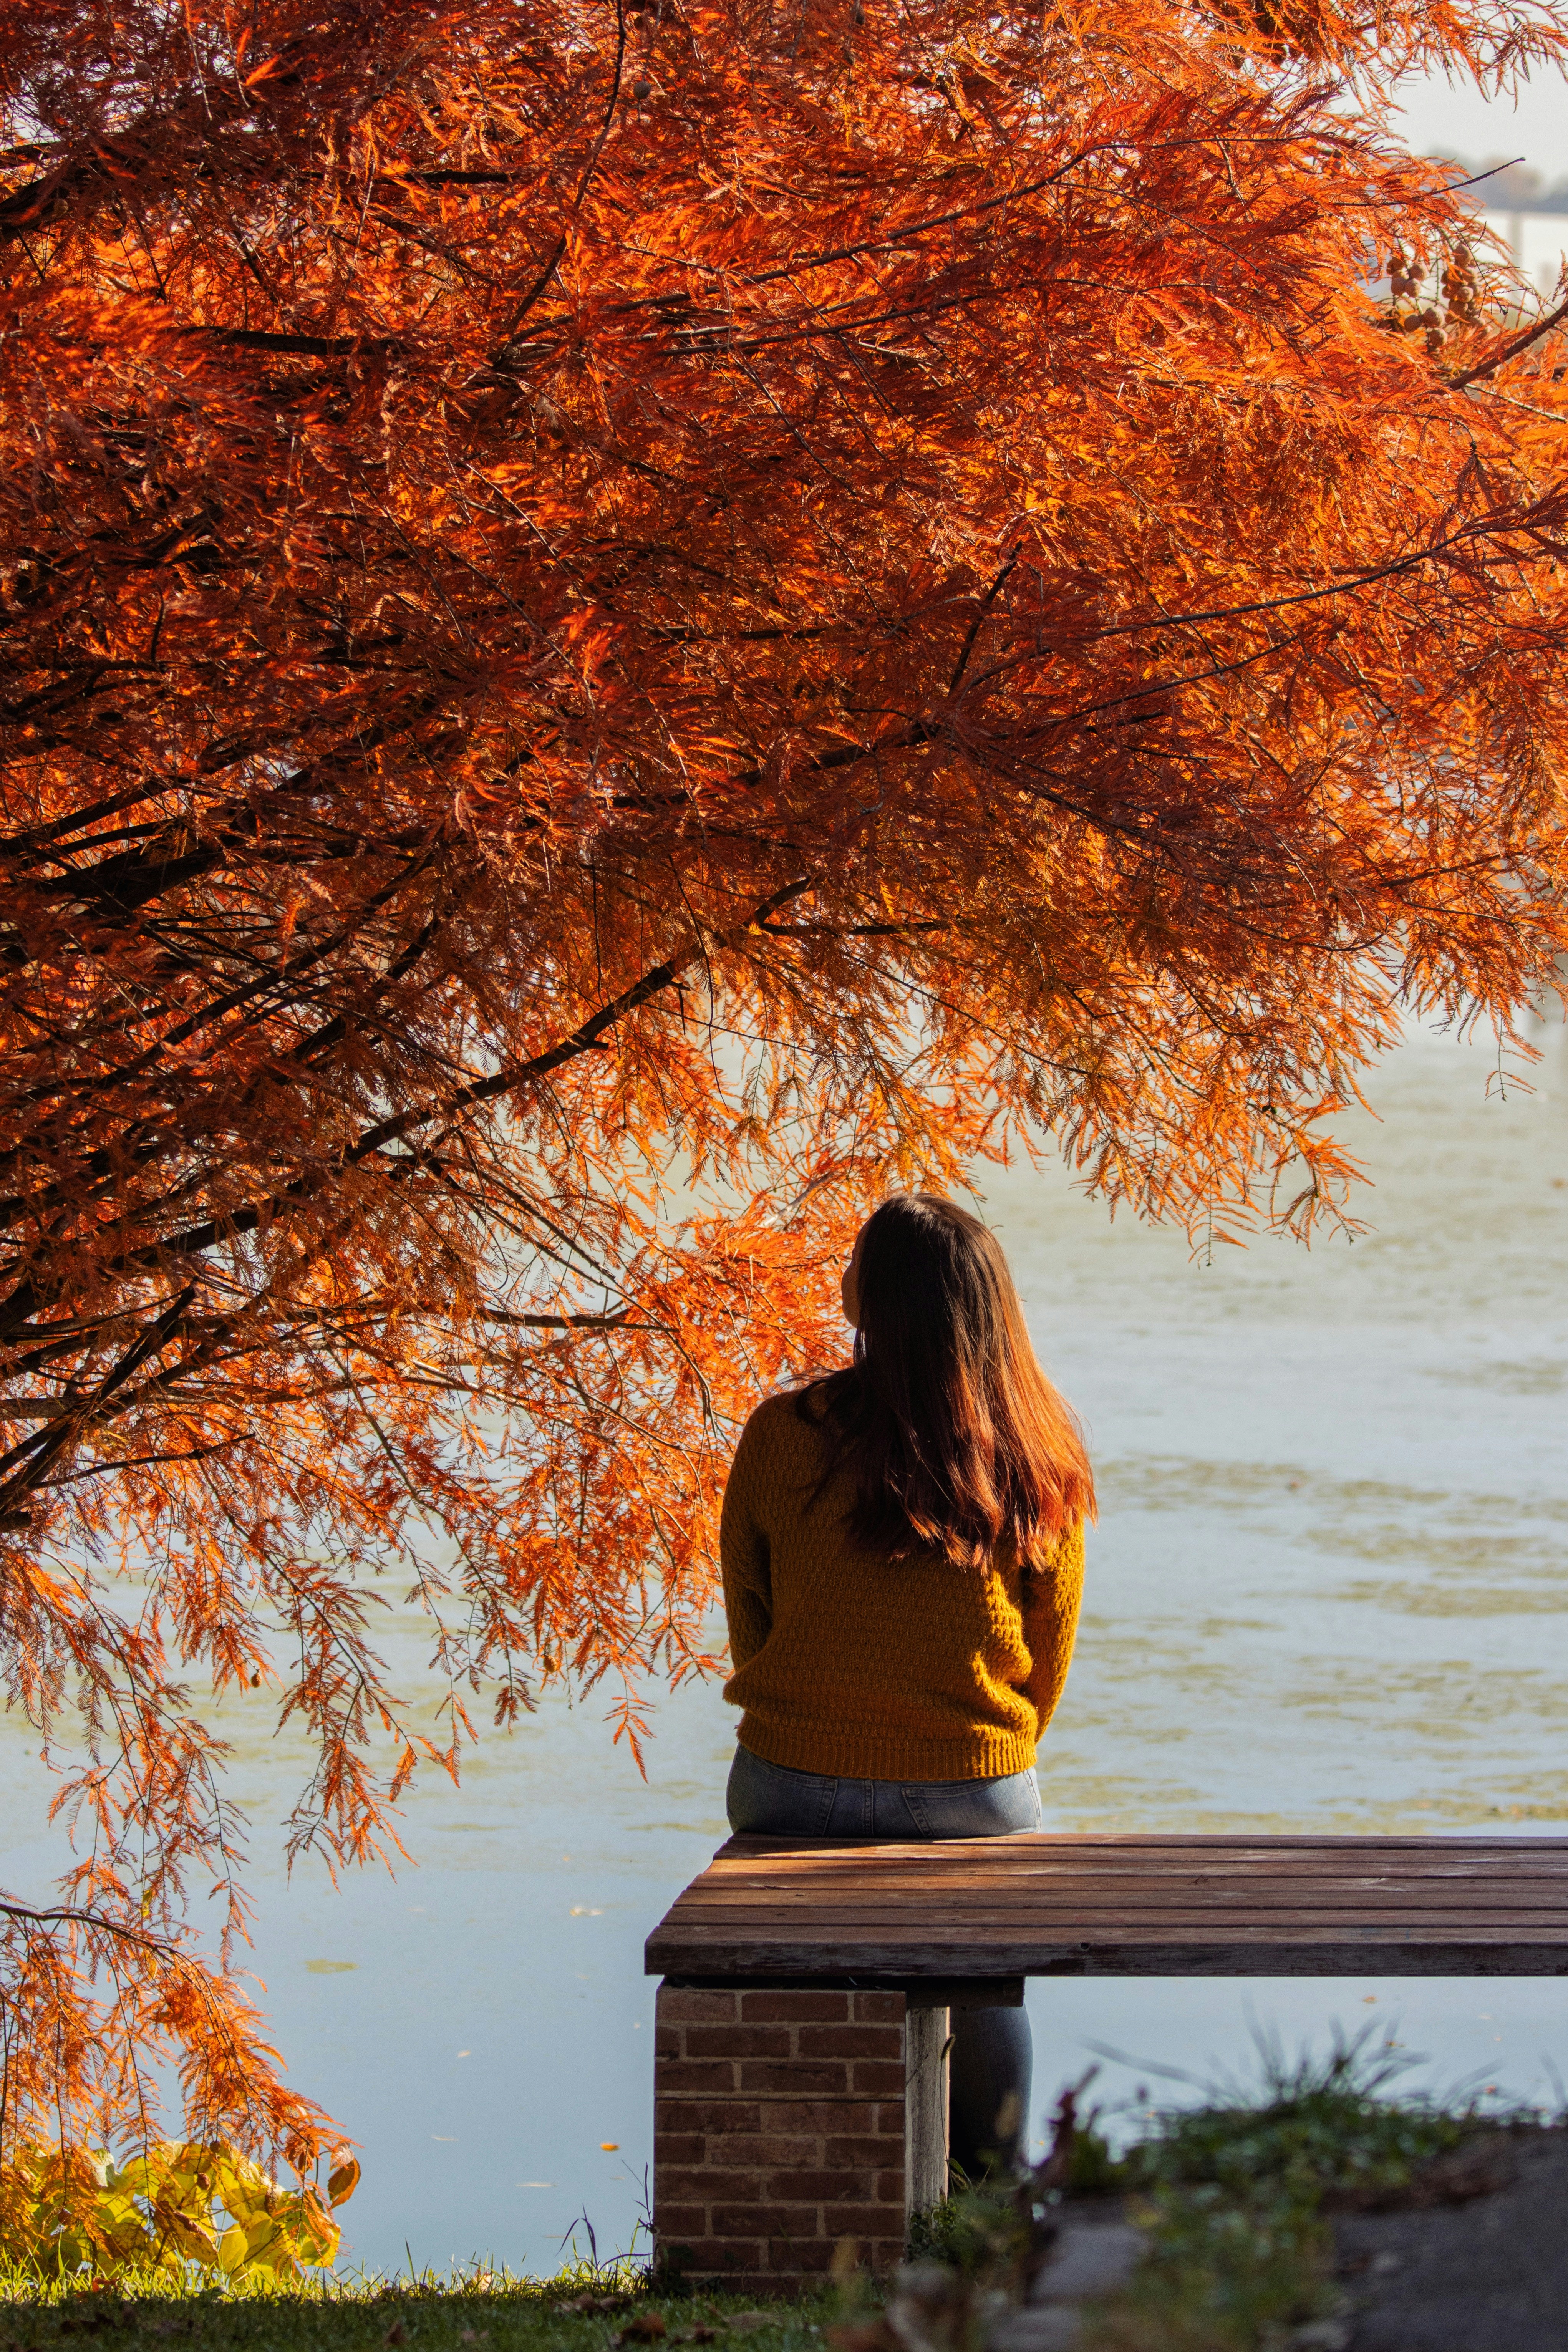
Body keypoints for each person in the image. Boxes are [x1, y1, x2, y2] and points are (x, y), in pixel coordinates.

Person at [719, 1190, 1095, 2186]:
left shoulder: (779, 1432)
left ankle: (820, 2180)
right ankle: (990, 2183)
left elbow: (750, 1618)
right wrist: (974, 1749)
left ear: (861, 1296)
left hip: (793, 1779)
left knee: (799, 1974)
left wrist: (815, 1718)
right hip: (970, 1785)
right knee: (985, 1986)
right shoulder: (1035, 1445)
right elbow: (1047, 1656)